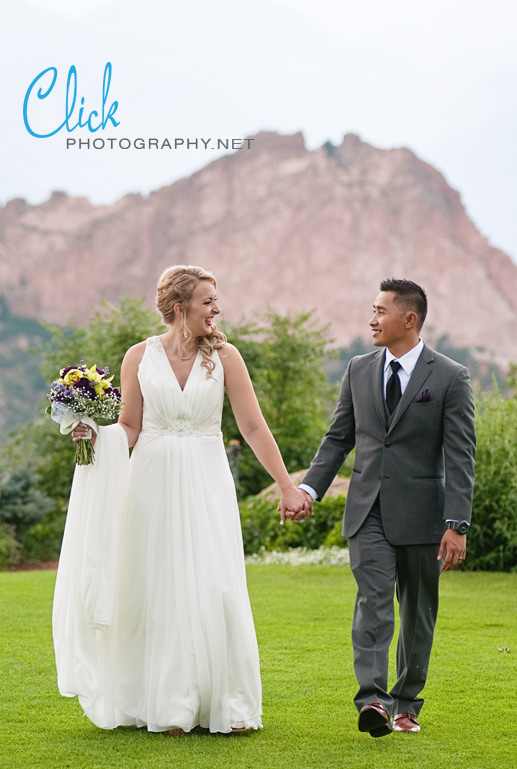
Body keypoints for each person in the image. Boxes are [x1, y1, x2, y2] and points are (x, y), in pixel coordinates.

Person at [53, 264, 309, 734]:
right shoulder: (138, 357)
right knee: (156, 588)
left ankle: (222, 702)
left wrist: (288, 485)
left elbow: (252, 427)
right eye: (208, 301)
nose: (217, 309)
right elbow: (129, 427)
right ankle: (166, 704)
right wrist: (96, 434)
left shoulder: (226, 357)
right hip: (150, 482)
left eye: (216, 300)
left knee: (217, 585)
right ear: (180, 308)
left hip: (207, 480)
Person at [290, 279, 476, 737]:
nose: (371, 320)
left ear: (408, 319)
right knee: (373, 603)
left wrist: (457, 524)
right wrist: (309, 490)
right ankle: (373, 699)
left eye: (380, 311)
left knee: (416, 613)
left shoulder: (450, 376)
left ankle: (408, 702)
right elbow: (339, 438)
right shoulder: (357, 369)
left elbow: (460, 456)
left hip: (424, 516)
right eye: (371, 310)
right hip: (366, 509)